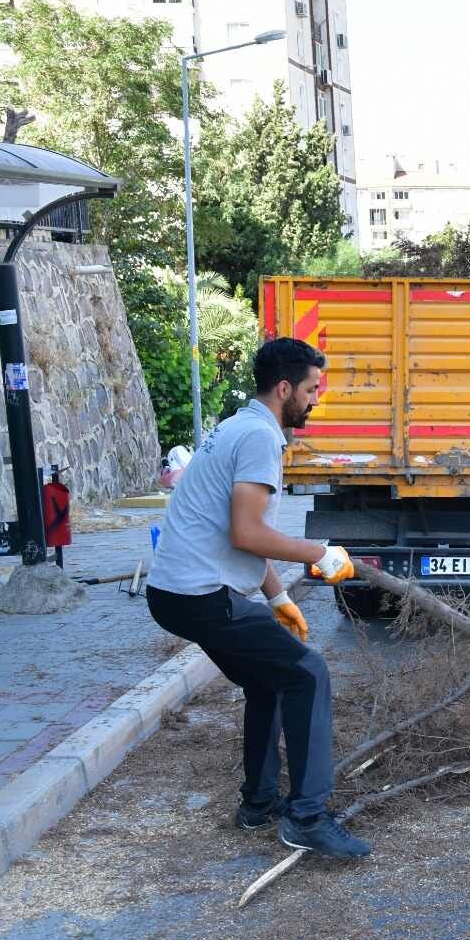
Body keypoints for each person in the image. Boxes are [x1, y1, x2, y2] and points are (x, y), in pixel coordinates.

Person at [146, 337, 370, 857]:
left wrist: (275, 597)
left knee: (268, 681)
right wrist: (318, 551)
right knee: (308, 673)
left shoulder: (237, 425)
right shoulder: (259, 439)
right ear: (285, 388)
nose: (316, 399)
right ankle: (308, 817)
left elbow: (238, 533)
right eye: (312, 389)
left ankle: (259, 804)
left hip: (178, 591)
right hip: (200, 593)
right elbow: (247, 533)